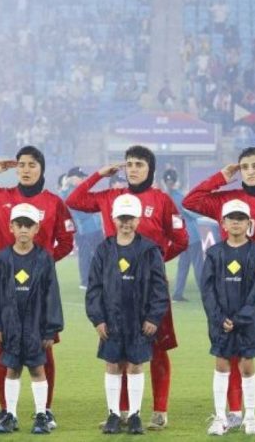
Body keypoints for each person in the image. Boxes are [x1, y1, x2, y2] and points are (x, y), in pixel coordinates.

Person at [66, 145, 188, 430]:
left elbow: (181, 240)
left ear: (150, 169)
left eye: (139, 164)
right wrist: (99, 174)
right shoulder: (112, 197)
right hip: (115, 291)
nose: (133, 169)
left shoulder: (162, 201)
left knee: (157, 349)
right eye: (129, 164)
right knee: (117, 351)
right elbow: (75, 199)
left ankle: (159, 411)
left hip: (149, 292)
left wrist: (154, 265)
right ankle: (120, 412)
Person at [183, 147, 255, 431]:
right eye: (244, 166)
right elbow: (191, 199)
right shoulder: (227, 201)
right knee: (232, 351)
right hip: (229, 291)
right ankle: (234, 412)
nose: (250, 171)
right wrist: (223, 176)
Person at [0, 147, 75, 431]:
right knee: (3, 349)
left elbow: (67, 241)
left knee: (44, 351)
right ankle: (6, 410)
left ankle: (44, 410)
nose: (25, 169)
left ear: (41, 169)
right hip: (3, 285)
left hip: (37, 290)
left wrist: (42, 267)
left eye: (31, 164)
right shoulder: (0, 196)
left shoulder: (54, 202)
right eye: (20, 164)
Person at [86, 194, 169, 435]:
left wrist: (154, 317)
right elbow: (94, 288)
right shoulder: (104, 249)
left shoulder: (149, 249)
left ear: (138, 219)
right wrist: (98, 319)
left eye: (130, 218)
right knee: (113, 365)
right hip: (110, 320)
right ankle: (113, 414)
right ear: (113, 219)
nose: (126, 223)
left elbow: (159, 287)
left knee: (135, 366)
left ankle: (134, 415)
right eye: (122, 218)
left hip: (139, 321)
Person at [0, 204, 64, 434]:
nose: (24, 229)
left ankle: (41, 416)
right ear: (11, 227)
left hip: (36, 327)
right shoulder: (1, 259)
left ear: (37, 227)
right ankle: (10, 415)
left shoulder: (44, 259)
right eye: (19, 224)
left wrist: (51, 330)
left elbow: (52, 295)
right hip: (9, 327)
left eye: (29, 225)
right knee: (12, 370)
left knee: (38, 370)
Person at [201, 200, 255, 436]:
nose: (236, 222)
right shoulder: (214, 253)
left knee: (247, 365)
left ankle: (250, 416)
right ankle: (220, 417)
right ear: (223, 223)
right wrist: (220, 318)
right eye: (232, 218)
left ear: (249, 223)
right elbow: (207, 290)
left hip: (247, 323)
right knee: (221, 365)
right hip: (221, 322)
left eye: (241, 218)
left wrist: (239, 318)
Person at [164, 169, 204, 303]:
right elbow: (192, 213)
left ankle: (177, 294)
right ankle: (206, 293)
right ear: (176, 181)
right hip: (192, 236)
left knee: (183, 266)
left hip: (181, 237)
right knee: (198, 265)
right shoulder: (181, 197)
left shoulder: (165, 198)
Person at [61, 167, 103, 291]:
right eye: (80, 177)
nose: (83, 179)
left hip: (91, 228)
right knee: (87, 255)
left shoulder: (74, 190)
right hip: (85, 230)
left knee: (91, 255)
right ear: (72, 178)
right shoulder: (71, 192)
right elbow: (78, 212)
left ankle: (90, 280)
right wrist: (94, 211)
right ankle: (86, 281)